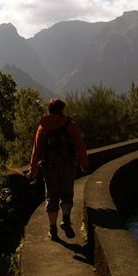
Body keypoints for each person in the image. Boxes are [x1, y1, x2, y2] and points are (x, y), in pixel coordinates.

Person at [28, 98, 89, 241]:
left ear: (49, 110)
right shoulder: (70, 125)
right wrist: (84, 165)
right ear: (62, 109)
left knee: (51, 196)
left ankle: (52, 229)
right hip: (68, 166)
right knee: (67, 194)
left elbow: (36, 150)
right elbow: (80, 146)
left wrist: (33, 169)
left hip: (49, 167)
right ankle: (66, 220)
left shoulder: (43, 127)